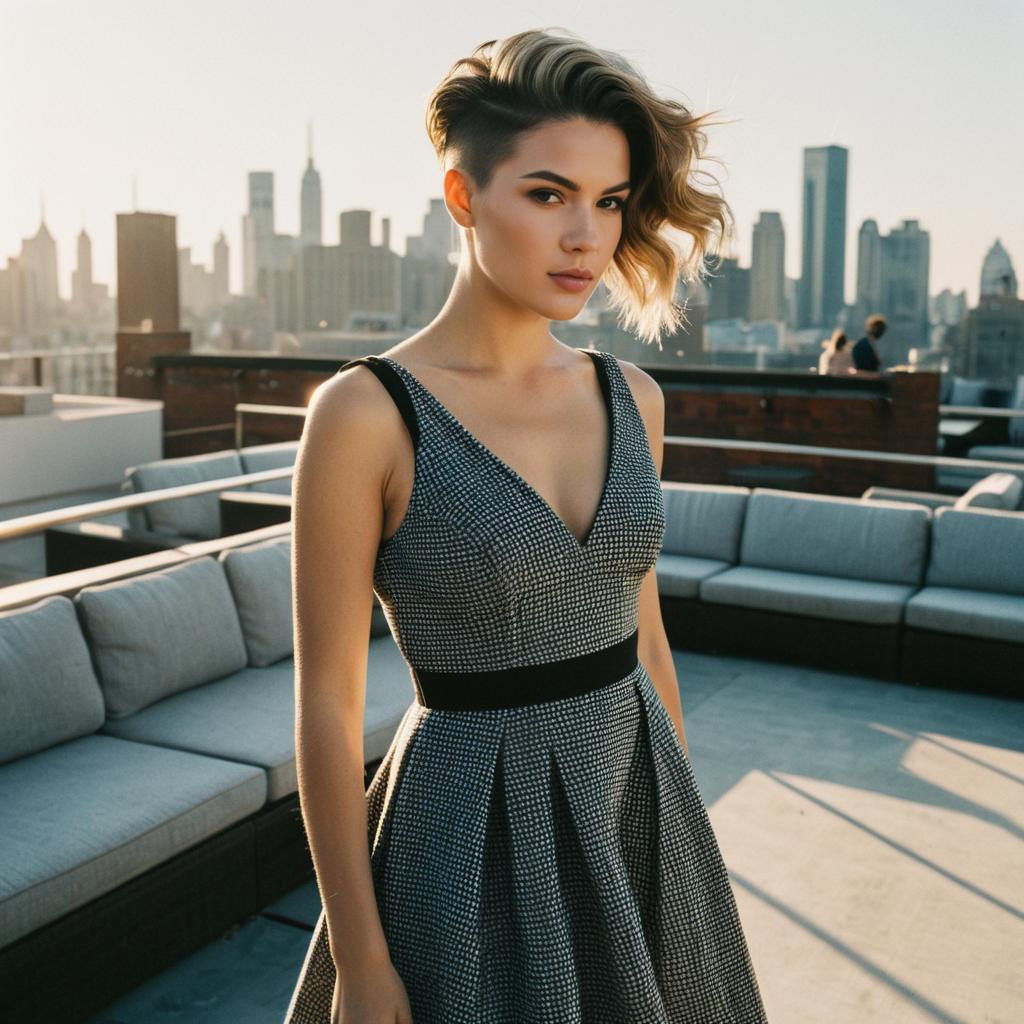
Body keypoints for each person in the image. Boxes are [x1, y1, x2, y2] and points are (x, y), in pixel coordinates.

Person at [284, 27, 769, 1024]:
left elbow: (645, 633)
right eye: (548, 195)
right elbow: (327, 716)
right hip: (466, 836)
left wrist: (683, 833)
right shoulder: (364, 415)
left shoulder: (633, 396)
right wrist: (363, 962)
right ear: (464, 199)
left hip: (639, 802)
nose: (585, 236)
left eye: (609, 201)